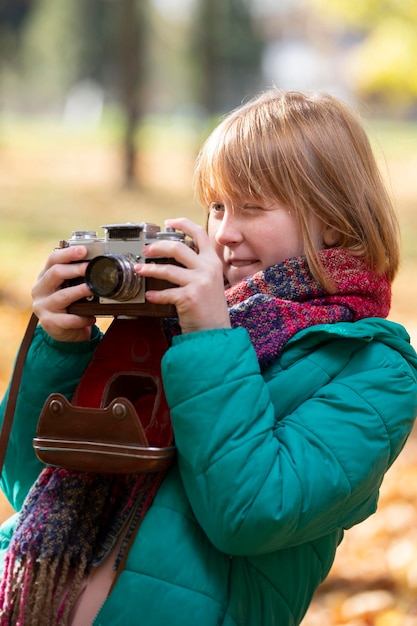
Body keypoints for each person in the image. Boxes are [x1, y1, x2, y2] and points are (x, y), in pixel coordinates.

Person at [0, 89, 416, 626]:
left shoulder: (373, 367)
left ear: (332, 219)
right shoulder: (168, 321)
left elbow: (250, 513)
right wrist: (62, 345)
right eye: (217, 206)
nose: (224, 233)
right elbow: (26, 481)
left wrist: (209, 336)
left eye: (253, 207)